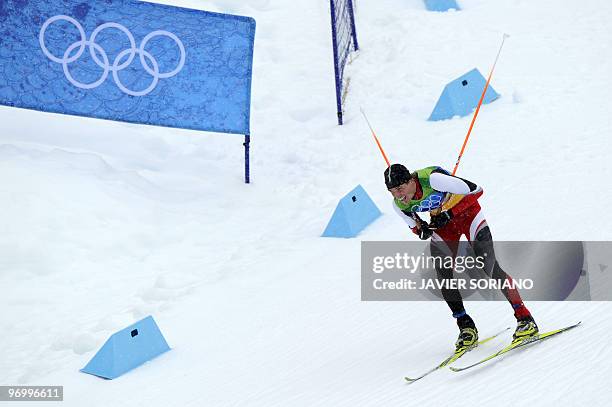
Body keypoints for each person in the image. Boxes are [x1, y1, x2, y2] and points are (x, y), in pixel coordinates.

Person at [385, 163, 538, 351]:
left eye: (400, 188)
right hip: (444, 225)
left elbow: (476, 190)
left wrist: (450, 212)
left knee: (487, 264)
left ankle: (525, 318)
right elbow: (415, 227)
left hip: (468, 214)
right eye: (392, 191)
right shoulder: (399, 204)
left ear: (410, 181)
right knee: (443, 274)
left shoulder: (433, 180)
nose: (398, 195)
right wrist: (422, 230)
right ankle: (466, 327)